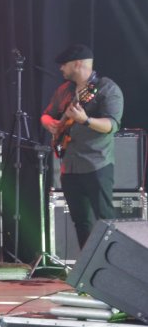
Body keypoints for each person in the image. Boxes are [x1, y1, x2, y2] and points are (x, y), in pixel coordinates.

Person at [40, 44, 123, 248]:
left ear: (77, 64)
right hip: (69, 166)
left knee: (105, 220)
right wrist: (50, 123)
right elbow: (46, 114)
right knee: (81, 222)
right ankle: (87, 264)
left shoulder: (107, 88)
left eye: (64, 64)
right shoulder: (64, 90)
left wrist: (85, 120)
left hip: (97, 164)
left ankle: (111, 263)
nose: (61, 68)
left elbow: (111, 125)